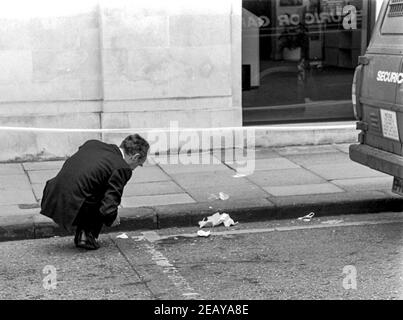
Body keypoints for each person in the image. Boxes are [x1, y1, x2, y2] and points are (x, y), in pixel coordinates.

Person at [40, 134, 150, 250]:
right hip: (74, 204)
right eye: (139, 164)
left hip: (53, 194)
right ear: (135, 157)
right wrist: (112, 217)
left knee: (94, 186)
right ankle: (86, 236)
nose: (136, 167)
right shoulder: (122, 168)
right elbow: (110, 202)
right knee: (105, 201)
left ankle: (83, 234)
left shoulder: (92, 144)